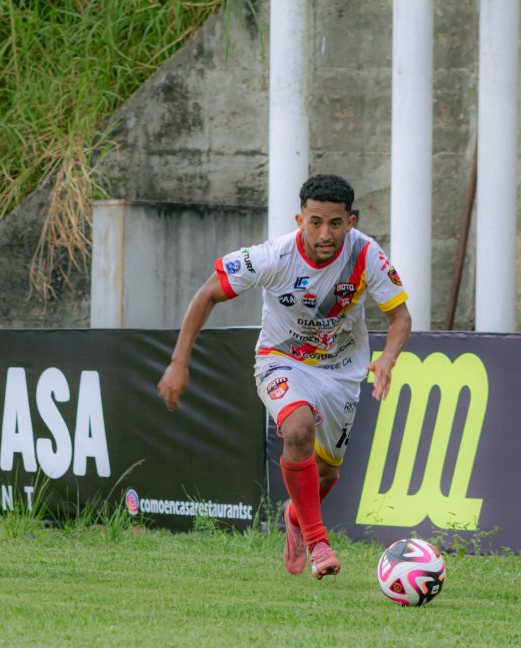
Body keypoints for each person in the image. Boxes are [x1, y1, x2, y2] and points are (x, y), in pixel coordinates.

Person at [158, 174, 412, 579]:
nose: (325, 234)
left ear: (351, 222)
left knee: (326, 474)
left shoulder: (366, 255)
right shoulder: (274, 257)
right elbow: (207, 294)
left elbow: (400, 317)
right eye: (315, 222)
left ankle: (296, 518)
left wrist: (387, 360)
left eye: (335, 223)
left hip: (342, 372)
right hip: (281, 361)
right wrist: (179, 362)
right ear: (299, 220)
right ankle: (318, 543)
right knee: (297, 430)